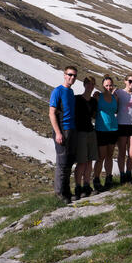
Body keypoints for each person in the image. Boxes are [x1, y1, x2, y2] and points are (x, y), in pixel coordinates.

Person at [49, 66, 77, 203]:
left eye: (74, 76)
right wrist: (58, 133)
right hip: (62, 130)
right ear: (64, 75)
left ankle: (67, 192)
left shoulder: (70, 92)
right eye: (70, 75)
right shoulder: (57, 91)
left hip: (72, 130)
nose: (72, 77)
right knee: (62, 162)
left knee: (69, 162)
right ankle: (59, 194)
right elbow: (52, 113)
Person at [74, 76, 99, 198]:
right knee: (81, 161)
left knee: (89, 161)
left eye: (92, 84)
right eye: (88, 84)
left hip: (90, 131)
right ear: (84, 85)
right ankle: (78, 187)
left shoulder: (94, 101)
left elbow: (94, 116)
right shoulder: (77, 99)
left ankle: (87, 185)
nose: (90, 86)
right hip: (80, 133)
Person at [93, 76, 119, 191]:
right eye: (107, 85)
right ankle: (96, 179)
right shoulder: (99, 97)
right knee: (100, 157)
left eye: (110, 85)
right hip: (101, 129)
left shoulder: (115, 98)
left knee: (109, 155)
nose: (109, 87)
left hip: (113, 129)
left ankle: (109, 178)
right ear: (103, 86)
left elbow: (116, 111)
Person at [115, 74, 132, 185]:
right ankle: (122, 175)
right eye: (130, 81)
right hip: (121, 124)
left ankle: (129, 174)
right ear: (125, 81)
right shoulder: (119, 92)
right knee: (121, 152)